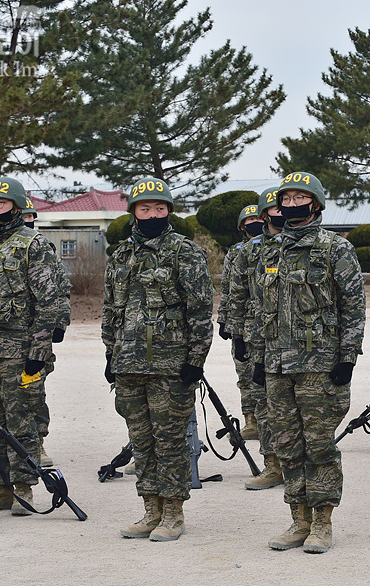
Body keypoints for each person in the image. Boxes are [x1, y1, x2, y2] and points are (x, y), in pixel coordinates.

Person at [251, 172, 365, 553]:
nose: (293, 204)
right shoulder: (268, 251)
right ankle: (298, 519)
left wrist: (347, 356)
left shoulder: (335, 249)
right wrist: (257, 357)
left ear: (315, 204)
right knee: (286, 444)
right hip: (276, 365)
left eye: (301, 198)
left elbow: (353, 305)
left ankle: (322, 522)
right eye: (287, 198)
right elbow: (259, 309)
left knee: (319, 446)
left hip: (320, 365)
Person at [103, 177, 214, 542]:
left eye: (159, 208)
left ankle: (174, 513)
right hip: (128, 364)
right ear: (133, 211)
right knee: (141, 441)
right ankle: (150, 509)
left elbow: (199, 310)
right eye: (145, 208)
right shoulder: (120, 255)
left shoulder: (186, 252)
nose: (152, 214)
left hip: (171, 365)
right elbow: (111, 309)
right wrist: (110, 353)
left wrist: (195, 359)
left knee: (170, 441)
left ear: (169, 211)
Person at [0, 176, 64, 514]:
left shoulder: (34, 245)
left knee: (21, 422)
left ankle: (24, 488)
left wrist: (37, 353)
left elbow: (49, 303)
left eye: (0, 203)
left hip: (17, 352)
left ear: (17, 206)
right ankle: (0, 487)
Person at [227, 187, 287, 490]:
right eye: (273, 209)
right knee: (264, 403)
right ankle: (272, 464)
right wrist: (236, 333)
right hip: (257, 338)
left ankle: (298, 465)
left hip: (300, 342)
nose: (279, 213)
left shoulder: (307, 246)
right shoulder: (249, 251)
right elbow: (235, 294)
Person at [22, 197, 72, 468]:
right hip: (3, 337)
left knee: (34, 390)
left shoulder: (44, 250)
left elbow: (61, 289)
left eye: (31, 217)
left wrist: (60, 323)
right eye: (23, 216)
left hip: (36, 334)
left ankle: (37, 442)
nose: (27, 222)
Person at [217, 203, 263, 440]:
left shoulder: (276, 246)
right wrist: (224, 320)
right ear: (242, 226)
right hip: (242, 324)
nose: (254, 222)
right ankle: (251, 421)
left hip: (266, 324)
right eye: (249, 219)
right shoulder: (235, 252)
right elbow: (228, 288)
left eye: (258, 217)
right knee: (245, 374)